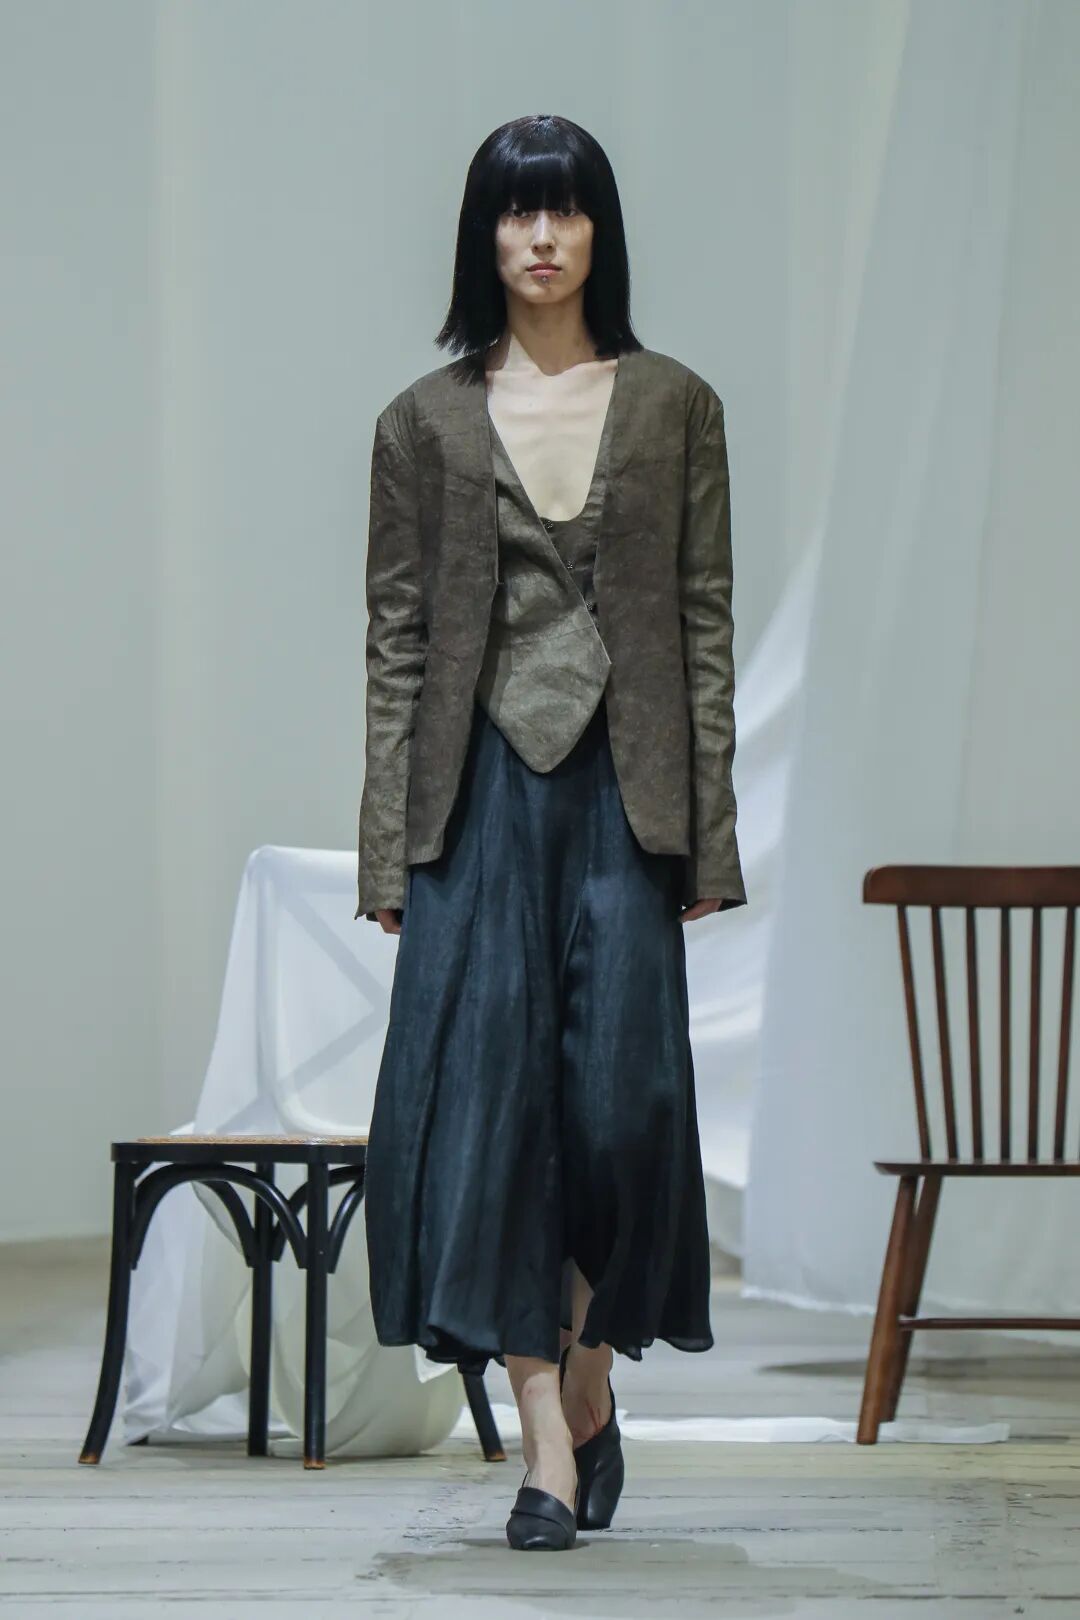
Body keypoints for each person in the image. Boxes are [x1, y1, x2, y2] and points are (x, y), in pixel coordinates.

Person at [355, 113, 747, 1551]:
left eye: (565, 210)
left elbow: (702, 624)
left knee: (625, 1112)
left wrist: (709, 837)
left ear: (598, 231)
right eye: (516, 213)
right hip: (476, 805)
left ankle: (590, 1378)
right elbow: (397, 644)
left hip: (624, 801)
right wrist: (389, 848)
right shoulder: (422, 422)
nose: (540, 237)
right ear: (484, 236)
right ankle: (544, 1449)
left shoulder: (677, 405)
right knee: (494, 1119)